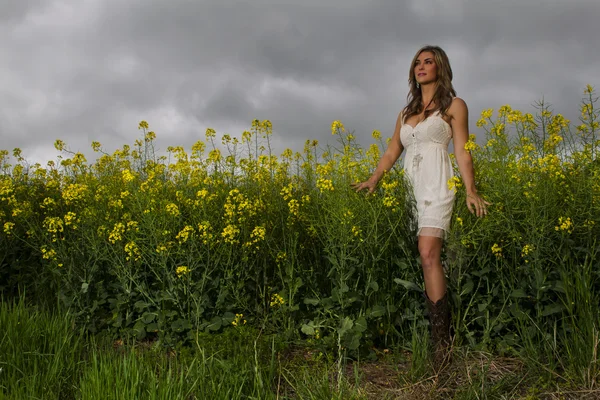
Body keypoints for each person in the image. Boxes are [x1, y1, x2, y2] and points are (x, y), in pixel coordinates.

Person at [352, 45, 489, 366]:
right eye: (417, 62)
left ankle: (443, 344)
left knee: (429, 253)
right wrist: (374, 179)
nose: (421, 66)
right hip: (409, 190)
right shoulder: (405, 113)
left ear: (440, 67)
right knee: (420, 258)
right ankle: (422, 335)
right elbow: (391, 152)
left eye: (428, 62)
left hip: (438, 184)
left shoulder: (454, 105)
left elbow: (462, 150)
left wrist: (470, 189)